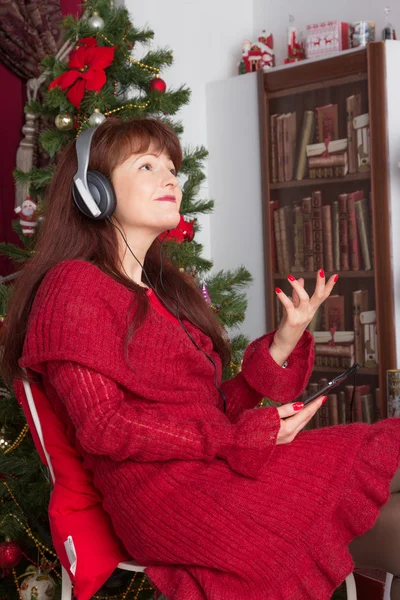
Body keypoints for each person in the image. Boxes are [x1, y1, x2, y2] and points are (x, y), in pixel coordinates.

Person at [1, 117, 400, 600]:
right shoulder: (73, 285)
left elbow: (211, 406)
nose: (170, 178)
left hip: (206, 470)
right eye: (147, 165)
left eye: (172, 167)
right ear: (94, 193)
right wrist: (235, 438)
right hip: (162, 497)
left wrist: (284, 341)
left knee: (387, 484)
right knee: (382, 466)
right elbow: (103, 425)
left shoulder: (168, 291)